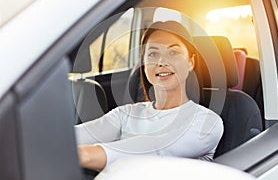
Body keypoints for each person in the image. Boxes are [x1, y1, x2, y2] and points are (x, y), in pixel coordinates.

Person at [74, 21, 224, 171]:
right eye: (153, 54)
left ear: (191, 62)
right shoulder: (125, 114)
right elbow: (79, 135)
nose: (162, 62)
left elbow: (156, 148)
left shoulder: (207, 122)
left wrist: (83, 154)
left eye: (173, 52)